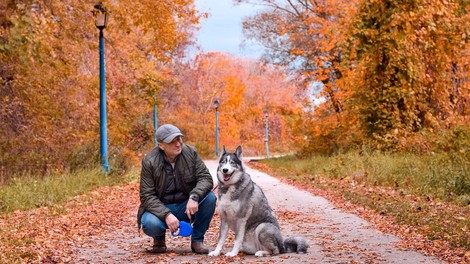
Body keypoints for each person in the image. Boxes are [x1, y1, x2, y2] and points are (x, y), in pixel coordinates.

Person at [137, 124, 217, 254]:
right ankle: (158, 239)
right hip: (161, 208)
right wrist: (166, 215)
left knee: (210, 198)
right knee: (149, 223)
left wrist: (194, 196)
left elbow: (205, 178)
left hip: (185, 206)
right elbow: (147, 196)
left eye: (179, 139)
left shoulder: (190, 153)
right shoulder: (149, 161)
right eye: (172, 141)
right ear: (161, 146)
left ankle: (197, 240)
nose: (178, 144)